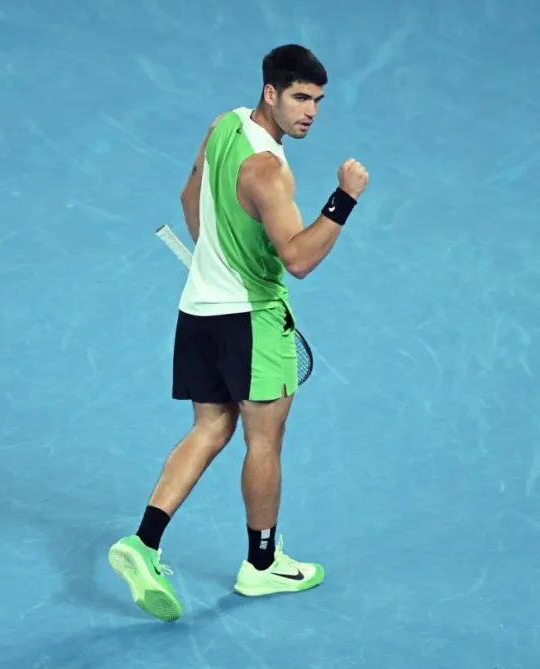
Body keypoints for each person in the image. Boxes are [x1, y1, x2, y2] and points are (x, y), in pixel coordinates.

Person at [106, 44, 370, 622]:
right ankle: (262, 564)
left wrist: (217, 261)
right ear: (271, 93)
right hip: (253, 320)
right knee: (264, 442)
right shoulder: (269, 170)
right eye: (300, 97)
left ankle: (142, 543)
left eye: (319, 101)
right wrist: (344, 198)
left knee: (210, 426)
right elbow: (298, 259)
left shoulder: (223, 124)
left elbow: (188, 196)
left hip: (198, 310)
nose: (311, 112)